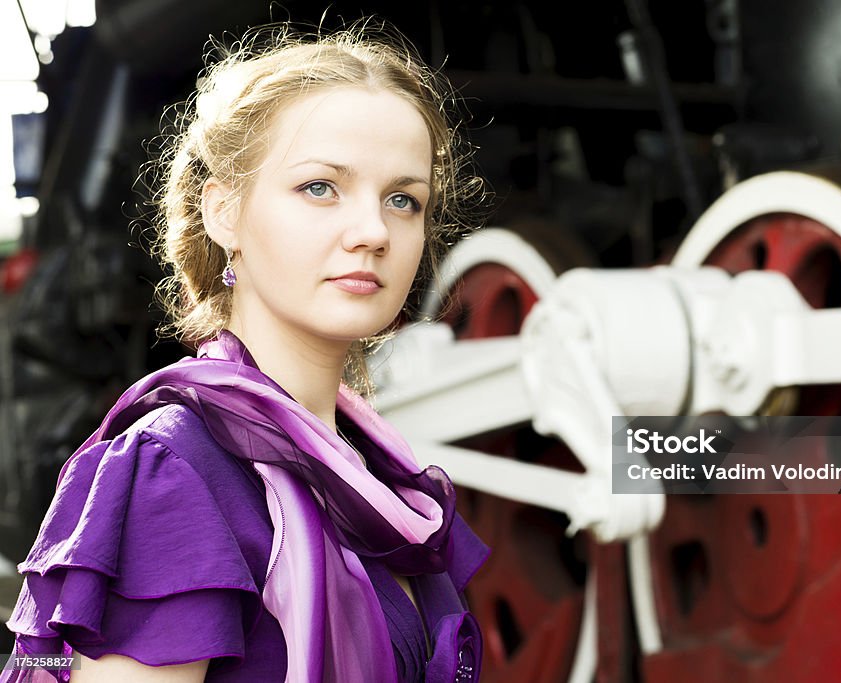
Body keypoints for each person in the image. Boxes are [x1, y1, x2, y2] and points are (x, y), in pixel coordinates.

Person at [1, 22, 490, 683]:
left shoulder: (383, 479)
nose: (374, 231)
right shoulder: (172, 471)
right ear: (224, 211)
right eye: (320, 187)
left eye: (404, 199)